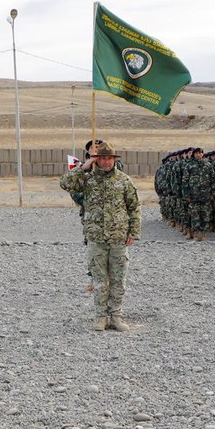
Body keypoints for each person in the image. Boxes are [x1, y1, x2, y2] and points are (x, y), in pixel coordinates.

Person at [60, 141, 140, 331]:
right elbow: (65, 183)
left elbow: (134, 207)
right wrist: (84, 167)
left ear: (114, 159)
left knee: (118, 279)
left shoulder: (124, 180)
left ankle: (116, 316)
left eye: (109, 158)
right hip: (96, 238)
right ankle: (101, 317)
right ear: (96, 160)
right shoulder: (88, 179)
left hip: (118, 237)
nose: (106, 162)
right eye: (102, 158)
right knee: (98, 279)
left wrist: (133, 232)